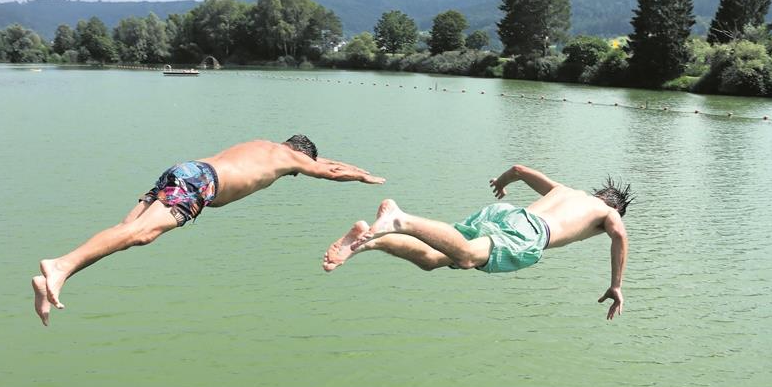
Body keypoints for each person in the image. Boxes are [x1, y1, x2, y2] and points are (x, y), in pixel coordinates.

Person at [32, 135, 384, 325]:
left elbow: (329, 162)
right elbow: (330, 170)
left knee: (127, 231)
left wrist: (358, 167)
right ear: (301, 157)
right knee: (141, 235)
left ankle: (57, 277)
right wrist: (364, 177)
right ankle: (60, 265)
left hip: (186, 169)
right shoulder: (291, 159)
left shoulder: (264, 146)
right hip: (203, 183)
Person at [323, 164, 631, 319]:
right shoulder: (608, 213)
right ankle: (399, 219)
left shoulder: (565, 190)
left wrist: (501, 183)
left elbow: (520, 170)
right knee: (468, 256)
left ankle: (366, 241)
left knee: (433, 259)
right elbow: (619, 234)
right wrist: (616, 284)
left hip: (504, 213)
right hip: (529, 234)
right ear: (613, 206)